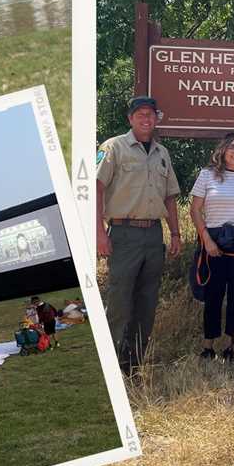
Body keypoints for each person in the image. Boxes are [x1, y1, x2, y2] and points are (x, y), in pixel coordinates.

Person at [96, 96, 183, 375]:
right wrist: (99, 232)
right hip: (123, 233)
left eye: (151, 114)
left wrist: (176, 233)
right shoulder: (113, 148)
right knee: (120, 302)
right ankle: (108, 367)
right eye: (140, 114)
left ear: (157, 118)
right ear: (130, 118)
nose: (146, 119)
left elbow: (170, 197)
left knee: (146, 304)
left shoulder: (162, 153)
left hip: (153, 236)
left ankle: (132, 365)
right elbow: (96, 189)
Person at [190, 132, 234, 361]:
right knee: (213, 296)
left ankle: (231, 345)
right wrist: (206, 240)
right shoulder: (207, 175)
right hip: (214, 244)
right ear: (222, 149)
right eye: (232, 147)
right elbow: (195, 210)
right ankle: (208, 345)